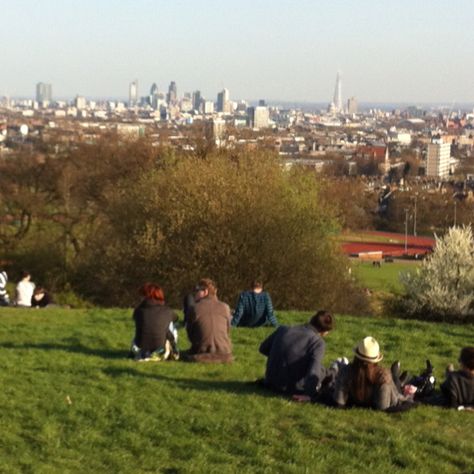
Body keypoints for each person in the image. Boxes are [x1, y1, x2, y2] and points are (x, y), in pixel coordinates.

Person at [259, 311, 335, 398]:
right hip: (292, 388)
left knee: (319, 368)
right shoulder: (317, 342)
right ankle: (335, 372)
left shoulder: (283, 329)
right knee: (321, 370)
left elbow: (263, 348)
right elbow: (313, 372)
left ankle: (333, 371)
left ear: (311, 319)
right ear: (325, 332)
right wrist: (310, 395)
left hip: (270, 382)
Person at [333, 336, 412, 411]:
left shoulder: (345, 371)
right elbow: (384, 406)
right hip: (391, 394)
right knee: (395, 385)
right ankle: (396, 376)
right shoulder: (382, 376)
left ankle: (396, 376)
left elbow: (339, 402)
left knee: (393, 381)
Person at [186, 278, 233, 363]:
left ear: (205, 292)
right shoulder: (225, 307)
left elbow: (190, 334)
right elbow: (228, 330)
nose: (195, 293)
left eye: (197, 290)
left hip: (201, 352)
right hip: (225, 353)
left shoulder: (194, 309)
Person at [130, 283, 179, 362]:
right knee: (171, 324)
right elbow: (176, 318)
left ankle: (146, 353)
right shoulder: (167, 311)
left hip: (140, 346)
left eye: (142, 295)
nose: (140, 298)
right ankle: (173, 350)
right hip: (160, 345)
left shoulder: (138, 311)